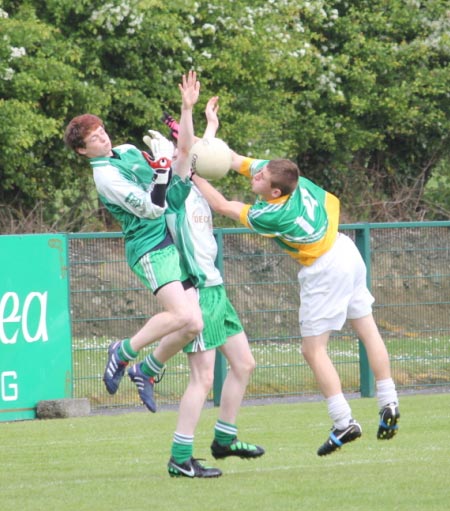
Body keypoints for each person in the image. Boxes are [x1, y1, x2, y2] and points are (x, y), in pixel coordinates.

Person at [191, 147, 400, 456]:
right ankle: (389, 401)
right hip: (345, 249)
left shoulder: (274, 213)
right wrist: (192, 138)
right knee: (367, 329)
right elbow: (234, 160)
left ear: (274, 191)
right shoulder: (290, 178)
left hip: (325, 266)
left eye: (261, 177)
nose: (257, 174)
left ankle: (343, 421)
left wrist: (191, 173)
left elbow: (222, 205)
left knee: (313, 350)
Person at [63, 71, 204, 413]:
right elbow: (154, 207)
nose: (103, 139)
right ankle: (123, 351)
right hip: (149, 247)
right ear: (83, 151)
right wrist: (161, 171)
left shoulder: (126, 150)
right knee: (181, 315)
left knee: (194, 324)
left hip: (170, 237)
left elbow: (166, 179)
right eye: (94, 140)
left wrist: (169, 159)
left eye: (102, 132)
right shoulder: (106, 178)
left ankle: (147, 369)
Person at [148, 96, 264, 478]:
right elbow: (188, 154)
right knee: (202, 378)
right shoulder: (176, 191)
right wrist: (187, 111)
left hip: (217, 289)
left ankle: (224, 440)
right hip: (198, 291)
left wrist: (210, 124)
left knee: (244, 364)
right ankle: (180, 458)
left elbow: (202, 153)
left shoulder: (196, 180)